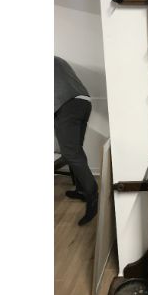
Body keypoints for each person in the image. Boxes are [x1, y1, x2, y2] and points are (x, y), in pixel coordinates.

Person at [54, 56, 98, 226]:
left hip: (66, 105)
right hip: (83, 100)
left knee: (70, 153)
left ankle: (92, 196)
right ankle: (81, 189)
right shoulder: (58, 59)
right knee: (76, 150)